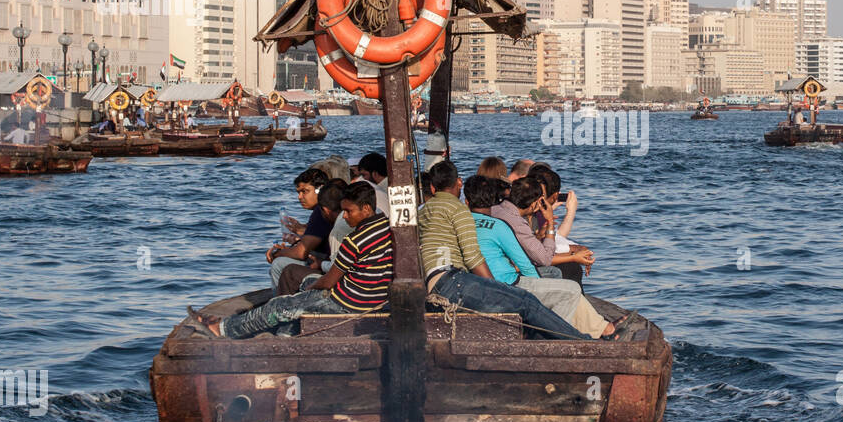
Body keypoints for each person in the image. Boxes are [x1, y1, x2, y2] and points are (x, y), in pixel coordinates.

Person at [418, 161, 599, 341]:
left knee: (547, 281)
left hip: (439, 279)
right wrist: (494, 289)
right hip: (452, 281)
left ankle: (566, 339)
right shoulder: (460, 212)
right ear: (459, 182)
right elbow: (473, 257)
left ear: (433, 189)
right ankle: (581, 342)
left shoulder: (424, 211)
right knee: (528, 300)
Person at [202, 183, 393, 339]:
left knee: (280, 307)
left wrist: (311, 290)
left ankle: (224, 329)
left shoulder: (354, 241)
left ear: (366, 209)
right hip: (372, 298)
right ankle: (286, 336)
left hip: (348, 303)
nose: (344, 216)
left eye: (348, 211)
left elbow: (328, 282)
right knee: (300, 292)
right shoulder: (384, 225)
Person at [464, 176, 622, 339]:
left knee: (555, 276)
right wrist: (536, 297)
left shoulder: (465, 222)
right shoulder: (502, 226)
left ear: (467, 202)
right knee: (570, 288)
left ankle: (597, 328)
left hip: (480, 283)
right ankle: (551, 338)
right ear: (535, 204)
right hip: (509, 283)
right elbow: (531, 263)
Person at [267, 168, 334, 288]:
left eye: (305, 191)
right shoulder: (321, 210)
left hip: (327, 265)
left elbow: (301, 253)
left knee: (278, 264)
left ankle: (278, 302)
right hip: (328, 261)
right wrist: (297, 240)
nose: (299, 197)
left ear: (320, 189)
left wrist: (277, 254)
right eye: (298, 192)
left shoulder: (320, 211)